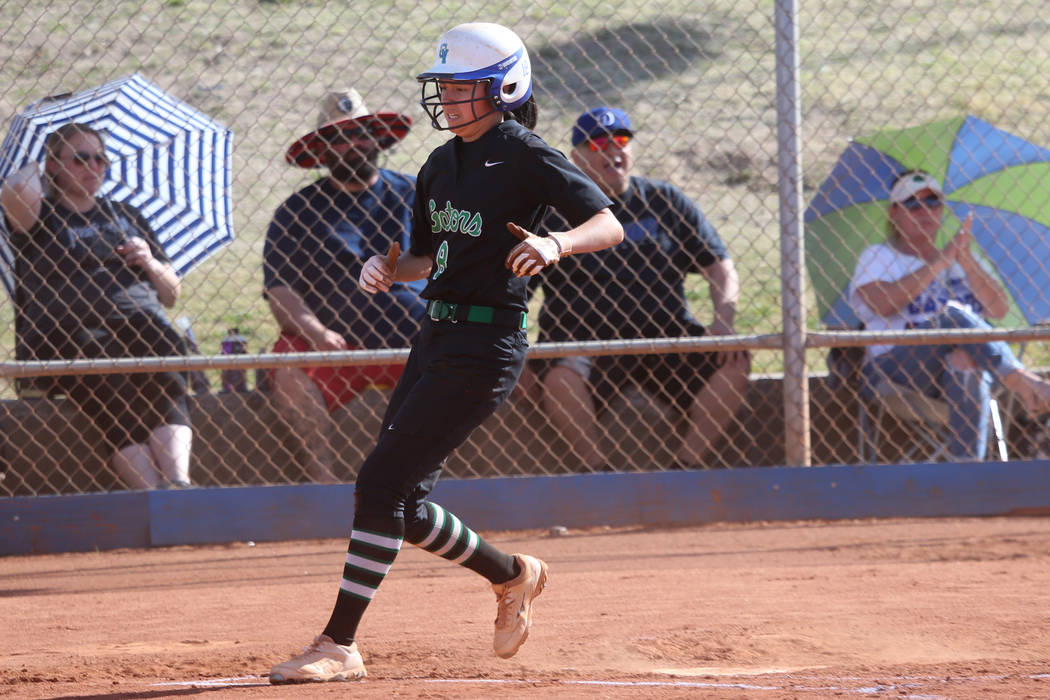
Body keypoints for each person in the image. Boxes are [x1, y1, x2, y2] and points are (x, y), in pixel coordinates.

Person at [268, 22, 623, 684]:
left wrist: (554, 244)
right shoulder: (439, 164)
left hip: (488, 344)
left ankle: (339, 644)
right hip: (435, 336)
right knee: (399, 503)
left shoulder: (525, 154)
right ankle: (513, 576)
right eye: (446, 86)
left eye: (465, 87)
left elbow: (608, 222)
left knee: (379, 483)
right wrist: (387, 267)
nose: (451, 99)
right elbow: (431, 257)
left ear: (506, 87)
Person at [528, 106, 751, 471]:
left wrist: (724, 321)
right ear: (576, 158)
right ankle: (596, 471)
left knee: (735, 361)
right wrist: (519, 356)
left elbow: (719, 265)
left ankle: (687, 465)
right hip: (585, 342)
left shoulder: (664, 201)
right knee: (560, 378)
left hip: (664, 336)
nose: (612, 151)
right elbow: (517, 289)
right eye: (597, 144)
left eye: (620, 141)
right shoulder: (554, 213)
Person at [1, 122, 193, 489]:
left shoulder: (125, 214)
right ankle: (153, 493)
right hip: (68, 330)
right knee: (106, 372)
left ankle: (179, 484)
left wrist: (150, 261)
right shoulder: (40, 216)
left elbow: (171, 294)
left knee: (167, 352)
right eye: (80, 159)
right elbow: (15, 189)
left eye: (101, 158)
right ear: (53, 166)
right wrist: (39, 135)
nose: (94, 167)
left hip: (138, 321)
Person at [264, 87, 425, 483]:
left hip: (414, 342)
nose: (352, 145)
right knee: (286, 365)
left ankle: (422, 476)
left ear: (377, 138)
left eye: (360, 134)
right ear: (322, 151)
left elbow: (452, 263)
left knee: (475, 343)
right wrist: (317, 333)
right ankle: (322, 475)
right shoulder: (297, 211)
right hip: (339, 348)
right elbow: (280, 290)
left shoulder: (413, 194)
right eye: (338, 139)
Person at [849, 169, 1050, 460]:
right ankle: (1021, 380)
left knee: (963, 358)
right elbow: (882, 304)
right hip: (899, 373)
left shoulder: (965, 259)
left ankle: (968, 473)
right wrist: (938, 262)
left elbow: (998, 309)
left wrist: (965, 261)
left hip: (967, 373)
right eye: (912, 204)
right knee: (952, 317)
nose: (924, 211)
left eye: (932, 202)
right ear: (894, 213)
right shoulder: (878, 256)